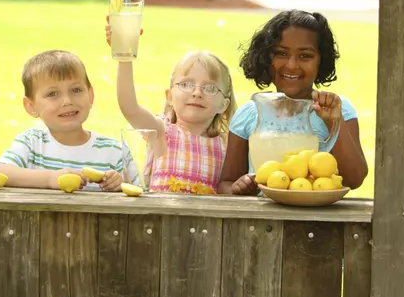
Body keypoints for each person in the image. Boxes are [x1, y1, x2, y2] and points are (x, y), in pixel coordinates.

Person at [217, 10, 368, 195]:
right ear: (266, 57)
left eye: (305, 56)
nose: (291, 65)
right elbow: (225, 183)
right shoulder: (250, 114)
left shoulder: (338, 109)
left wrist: (333, 122)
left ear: (321, 60)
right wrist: (238, 189)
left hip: (317, 221)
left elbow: (354, 179)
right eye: (281, 53)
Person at [0, 50, 138, 191]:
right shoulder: (31, 143)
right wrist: (50, 179)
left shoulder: (114, 152)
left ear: (90, 95)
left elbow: (138, 190)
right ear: (31, 107)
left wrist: (120, 184)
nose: (67, 101)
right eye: (52, 94)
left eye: (76, 90)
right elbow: (0, 170)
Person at [110, 36, 237, 194]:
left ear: (223, 105)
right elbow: (129, 108)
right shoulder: (160, 132)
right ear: (169, 96)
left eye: (210, 88)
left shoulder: (226, 145)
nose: (197, 93)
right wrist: (125, 57)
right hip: (159, 218)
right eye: (186, 84)